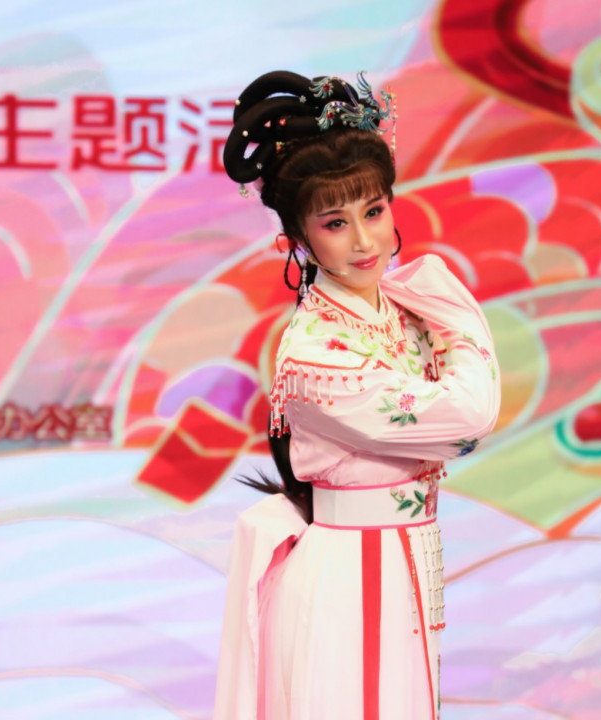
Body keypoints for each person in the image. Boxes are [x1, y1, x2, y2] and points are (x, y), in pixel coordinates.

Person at [214, 70, 500, 720]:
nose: (365, 240)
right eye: (335, 222)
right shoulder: (318, 356)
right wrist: (449, 303)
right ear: (298, 236)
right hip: (348, 580)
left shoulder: (399, 312)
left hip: (402, 565)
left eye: (374, 211)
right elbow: (470, 415)